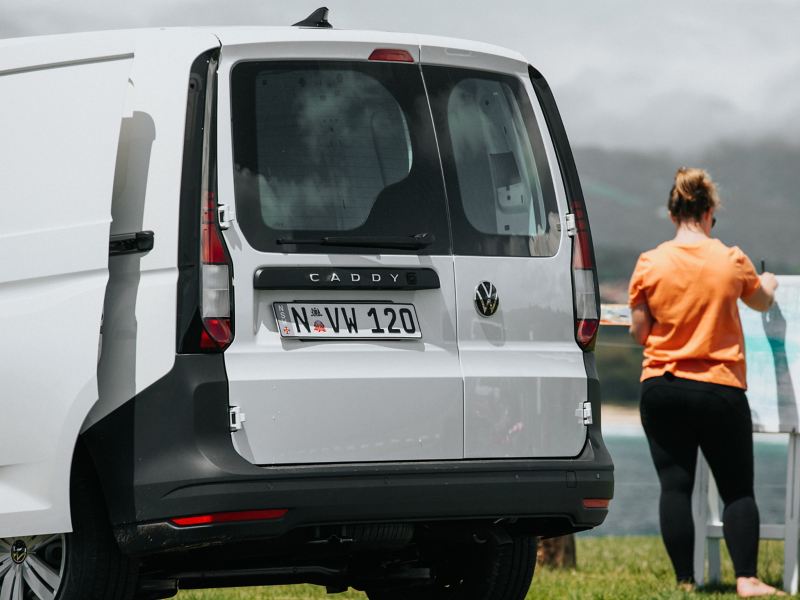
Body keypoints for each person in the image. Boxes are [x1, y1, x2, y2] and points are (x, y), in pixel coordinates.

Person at [628, 167, 782, 597]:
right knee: (736, 489)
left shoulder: (649, 263)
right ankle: (748, 579)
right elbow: (760, 300)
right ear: (710, 211)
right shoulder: (731, 259)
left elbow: (641, 333)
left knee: (675, 486)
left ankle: (685, 582)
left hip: (662, 383)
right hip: (719, 386)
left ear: (672, 212)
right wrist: (767, 282)